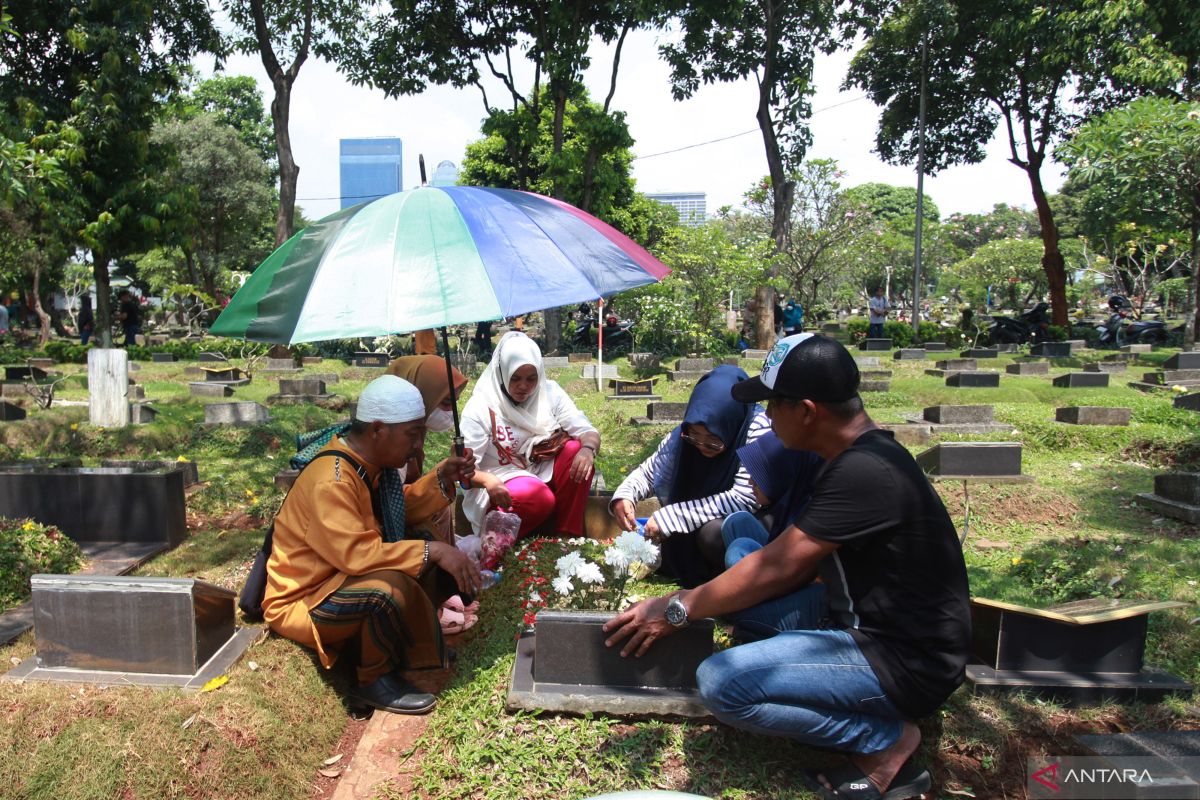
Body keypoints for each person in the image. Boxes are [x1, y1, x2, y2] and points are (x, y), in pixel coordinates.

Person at [603, 333, 970, 800]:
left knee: (722, 683)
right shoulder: (857, 456)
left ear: (807, 411)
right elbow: (785, 567)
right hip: (851, 619)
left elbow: (778, 568)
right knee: (742, 600)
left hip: (900, 660)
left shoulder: (863, 472)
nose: (767, 416)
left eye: (773, 404)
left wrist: (676, 607)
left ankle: (885, 742)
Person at [263, 375, 481, 714]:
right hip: (306, 597)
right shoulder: (332, 480)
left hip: (340, 578)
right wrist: (435, 551)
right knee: (389, 585)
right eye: (413, 434)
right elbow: (358, 555)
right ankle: (372, 680)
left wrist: (441, 478)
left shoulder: (366, 466)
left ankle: (411, 648)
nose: (418, 445)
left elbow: (398, 513)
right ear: (378, 430)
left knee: (422, 546)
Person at [610, 364, 771, 588]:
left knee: (713, 533)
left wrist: (673, 516)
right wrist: (625, 496)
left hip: (754, 524)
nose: (701, 446)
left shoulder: (757, 430)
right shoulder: (684, 434)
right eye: (695, 436)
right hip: (698, 517)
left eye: (714, 441)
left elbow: (745, 498)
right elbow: (650, 471)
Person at [461, 331, 600, 539]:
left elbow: (587, 431)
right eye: (515, 378)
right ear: (502, 373)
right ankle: (493, 546)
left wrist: (588, 449)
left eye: (531, 378)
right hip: (499, 479)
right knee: (536, 497)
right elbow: (464, 473)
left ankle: (565, 537)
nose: (524, 386)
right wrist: (488, 481)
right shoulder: (481, 407)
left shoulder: (549, 392)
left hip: (540, 471)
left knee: (575, 451)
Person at [720, 430, 825, 640]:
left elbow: (810, 577)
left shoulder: (816, 512)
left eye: (757, 477)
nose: (750, 483)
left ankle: (751, 612)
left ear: (782, 475)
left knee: (738, 551)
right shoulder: (793, 497)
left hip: (810, 594)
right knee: (737, 522)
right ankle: (746, 600)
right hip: (783, 573)